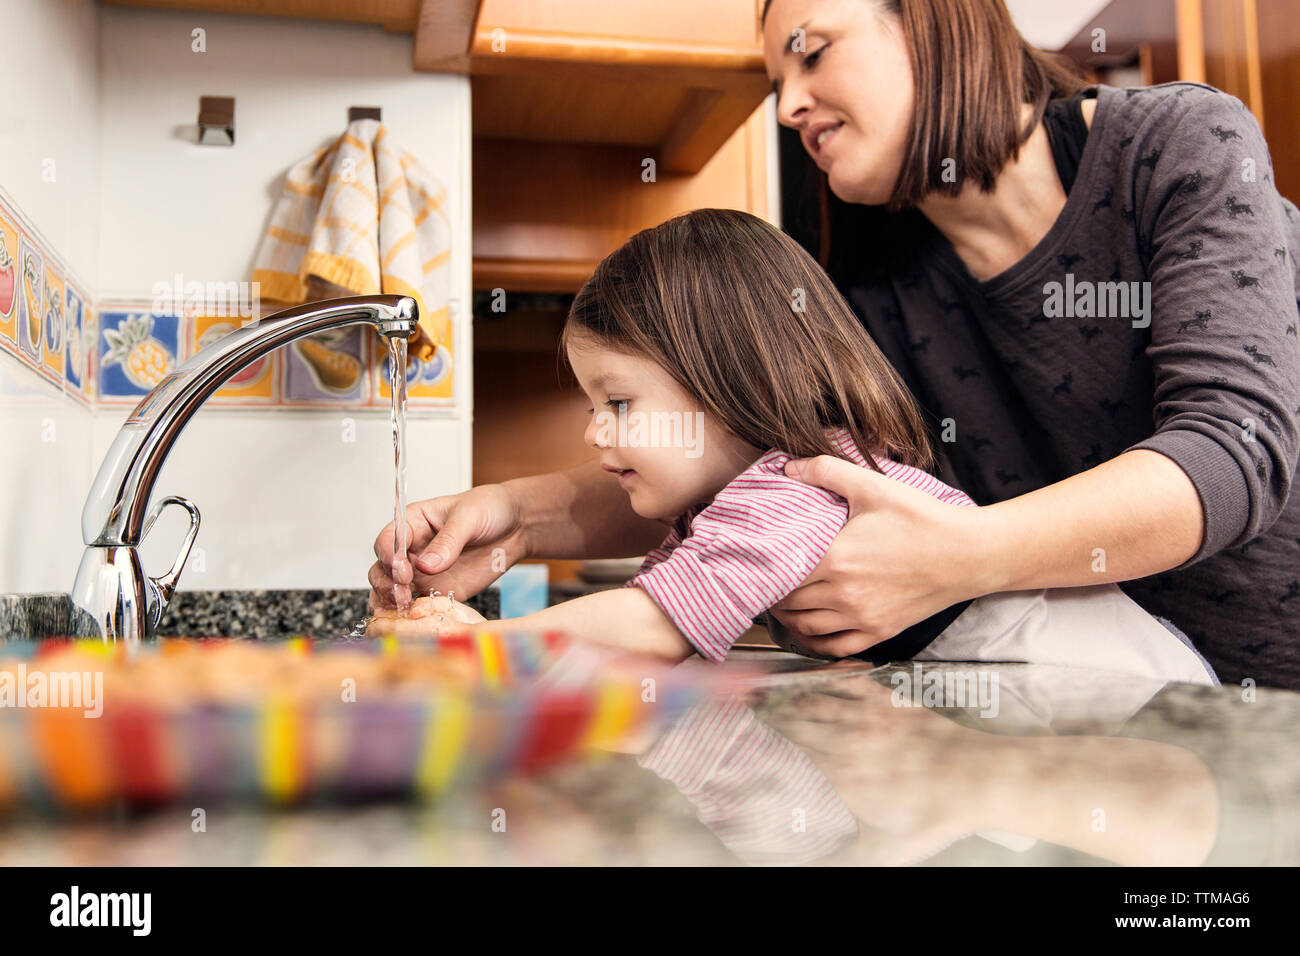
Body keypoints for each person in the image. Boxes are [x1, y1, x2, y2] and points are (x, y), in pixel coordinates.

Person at [368, 209, 1217, 686]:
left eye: (619, 403)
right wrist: (511, 518)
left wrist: (474, 650)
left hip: (1112, 680)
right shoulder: (737, 497)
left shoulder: (794, 489)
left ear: (731, 384)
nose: (596, 434)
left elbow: (653, 621)